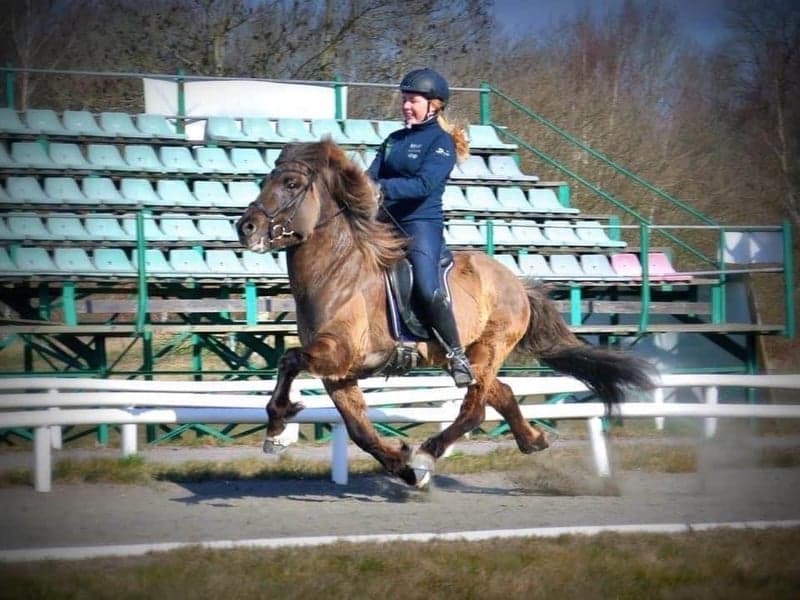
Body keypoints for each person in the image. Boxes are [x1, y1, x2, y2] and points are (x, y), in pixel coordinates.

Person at [367, 68, 475, 388]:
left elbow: (424, 184)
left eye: (412, 100)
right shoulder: (393, 140)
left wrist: (381, 189)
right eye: (404, 100)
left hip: (420, 224)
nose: (405, 106)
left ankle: (456, 355)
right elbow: (370, 175)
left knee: (427, 288)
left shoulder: (440, 143)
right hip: (383, 222)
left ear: (435, 105)